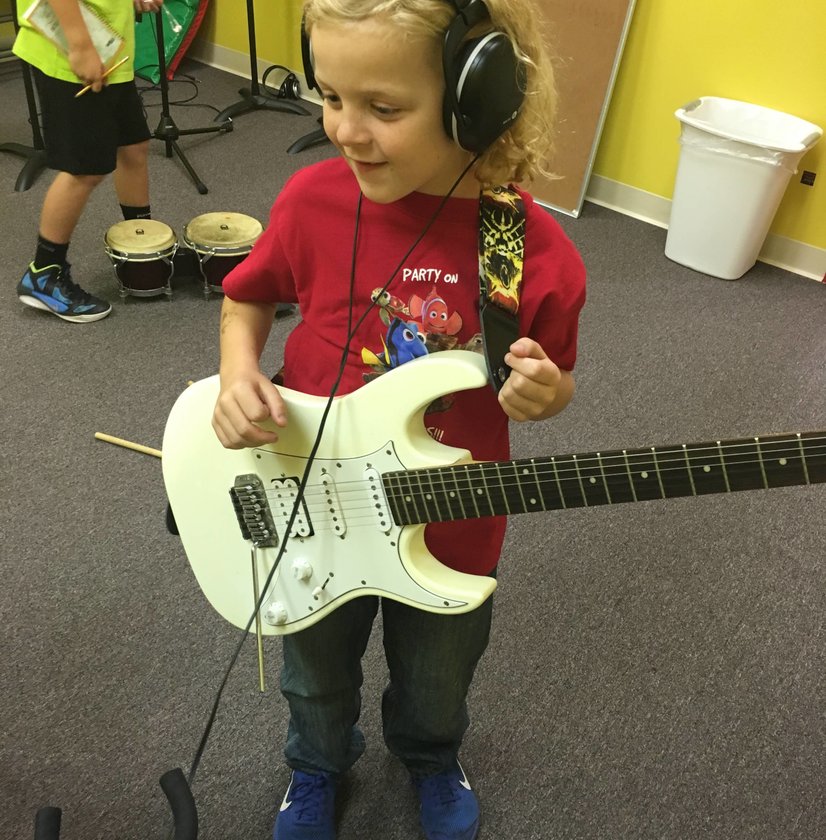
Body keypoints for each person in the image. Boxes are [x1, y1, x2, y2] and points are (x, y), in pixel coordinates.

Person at [212, 1, 586, 838]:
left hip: (451, 517)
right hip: (313, 499)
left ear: (477, 100)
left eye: (383, 107)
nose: (346, 131)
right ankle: (316, 764)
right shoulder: (311, 200)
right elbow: (246, 298)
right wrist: (238, 375)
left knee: (437, 677)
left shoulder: (525, 248)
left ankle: (429, 756)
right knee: (312, 674)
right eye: (330, 96)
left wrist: (545, 392)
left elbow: (557, 376)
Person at [13, 0, 163, 323]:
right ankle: (43, 274)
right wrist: (80, 44)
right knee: (85, 169)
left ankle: (141, 250)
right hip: (70, 49)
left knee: (133, 146)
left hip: (108, 47)